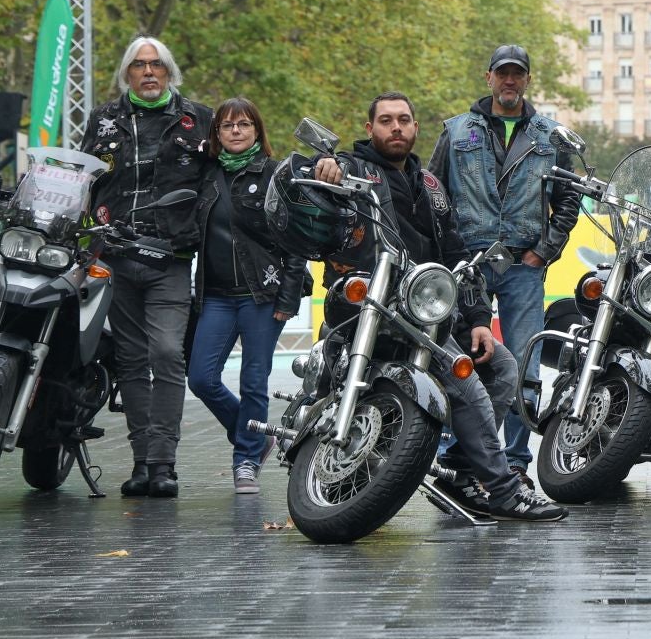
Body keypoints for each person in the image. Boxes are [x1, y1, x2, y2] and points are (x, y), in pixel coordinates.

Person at [314, 92, 564, 521]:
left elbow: (456, 258)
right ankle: (505, 489)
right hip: (370, 311)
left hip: (425, 315)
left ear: (415, 129)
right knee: (464, 385)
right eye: (387, 120)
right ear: (369, 128)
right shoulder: (352, 171)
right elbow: (313, 189)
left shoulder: (431, 188)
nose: (396, 127)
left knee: (503, 367)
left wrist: (480, 320)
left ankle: (459, 472)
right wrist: (323, 170)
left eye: (404, 120)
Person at [429, 46, 581, 482]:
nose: (509, 81)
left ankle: (514, 460)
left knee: (524, 362)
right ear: (488, 77)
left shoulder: (551, 136)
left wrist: (545, 249)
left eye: (518, 74)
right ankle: (453, 457)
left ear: (528, 80)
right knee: (458, 357)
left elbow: (569, 197)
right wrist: (448, 252)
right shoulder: (456, 131)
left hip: (523, 264)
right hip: (468, 263)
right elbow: (434, 193)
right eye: (502, 74)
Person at [78, 37, 212, 498]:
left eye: (156, 65)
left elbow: (224, 176)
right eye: (139, 65)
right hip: (115, 255)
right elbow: (84, 178)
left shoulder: (198, 119)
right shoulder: (104, 119)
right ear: (127, 74)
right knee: (131, 361)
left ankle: (165, 462)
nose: (149, 72)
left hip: (169, 257)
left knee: (167, 353)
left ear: (169, 72)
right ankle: (143, 464)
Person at [187, 99, 308, 494]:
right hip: (217, 296)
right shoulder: (206, 175)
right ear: (216, 134)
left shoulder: (277, 174)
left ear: (257, 130)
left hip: (263, 295)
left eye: (243, 124)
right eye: (226, 126)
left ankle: (246, 462)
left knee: (253, 380)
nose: (236, 131)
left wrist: (288, 299)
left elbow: (295, 241)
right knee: (201, 378)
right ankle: (257, 437)